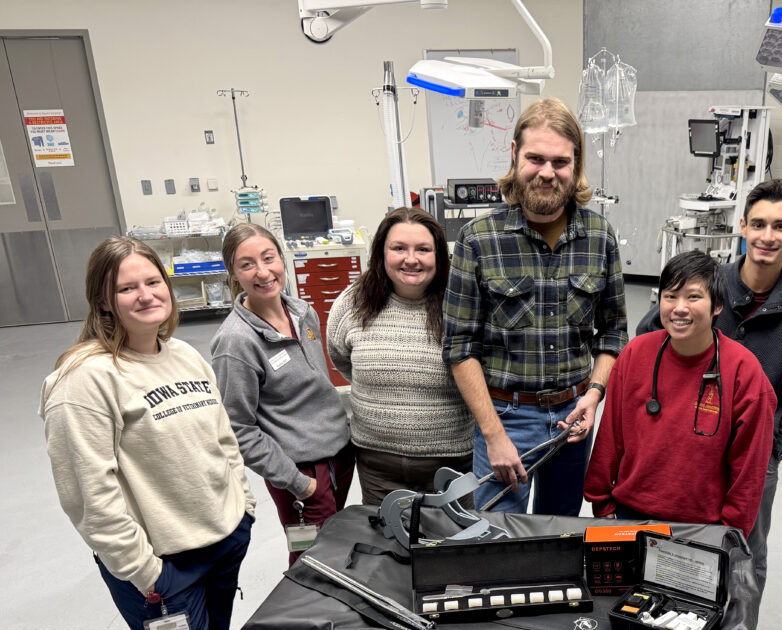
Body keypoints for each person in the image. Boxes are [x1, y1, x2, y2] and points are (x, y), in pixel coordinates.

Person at [40, 237, 256, 630]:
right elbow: (90, 495)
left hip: (220, 541)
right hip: (162, 571)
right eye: (128, 286)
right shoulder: (85, 380)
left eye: (154, 282)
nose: (146, 295)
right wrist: (145, 571)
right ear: (103, 299)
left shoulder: (185, 355)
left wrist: (240, 506)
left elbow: (223, 440)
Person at [637, 179, 782, 603]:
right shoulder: (706, 285)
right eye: (758, 224)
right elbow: (651, 331)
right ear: (742, 226)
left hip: (755, 457)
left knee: (744, 553)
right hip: (689, 446)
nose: (767, 236)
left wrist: (774, 446)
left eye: (780, 226)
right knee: (676, 542)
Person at [443, 97, 629, 515]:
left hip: (574, 417)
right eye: (536, 158)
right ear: (515, 155)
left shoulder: (600, 237)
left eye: (561, 162)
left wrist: (595, 395)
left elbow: (614, 333)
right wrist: (493, 434)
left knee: (559, 534)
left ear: (576, 165)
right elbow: (459, 347)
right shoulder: (478, 240)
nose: (548, 173)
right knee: (497, 545)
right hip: (505, 416)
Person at [584, 251, 777, 535]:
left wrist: (729, 533)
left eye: (694, 297)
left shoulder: (743, 372)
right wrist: (601, 502)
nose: (679, 308)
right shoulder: (636, 354)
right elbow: (611, 435)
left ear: (718, 305)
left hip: (700, 528)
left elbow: (749, 468)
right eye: (670, 296)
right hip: (628, 515)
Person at [211, 224, 352, 565]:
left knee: (336, 548)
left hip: (340, 456)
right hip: (300, 472)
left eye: (268, 258)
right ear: (233, 274)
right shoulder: (236, 342)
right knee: (312, 563)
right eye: (247, 265)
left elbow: (319, 384)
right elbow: (237, 428)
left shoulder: (303, 312)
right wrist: (298, 483)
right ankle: (307, 619)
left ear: (281, 258)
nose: (263, 272)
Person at [326, 208, 474, 505]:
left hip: (450, 464)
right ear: (381, 254)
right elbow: (340, 356)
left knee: (453, 546)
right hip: (378, 466)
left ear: (439, 255)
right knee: (388, 546)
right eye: (398, 248)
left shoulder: (459, 302)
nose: (411, 259)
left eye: (423, 249)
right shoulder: (353, 303)